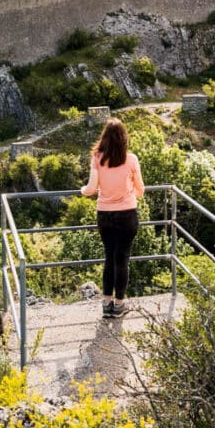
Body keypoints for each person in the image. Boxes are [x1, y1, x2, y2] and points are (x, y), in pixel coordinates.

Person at [81, 117, 144, 318]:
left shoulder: (97, 158)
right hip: (127, 214)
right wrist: (129, 188)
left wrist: (83, 190)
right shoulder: (132, 159)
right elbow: (141, 191)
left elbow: (91, 189)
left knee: (109, 258)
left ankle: (106, 303)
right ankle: (119, 305)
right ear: (124, 138)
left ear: (104, 138)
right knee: (122, 259)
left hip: (105, 215)